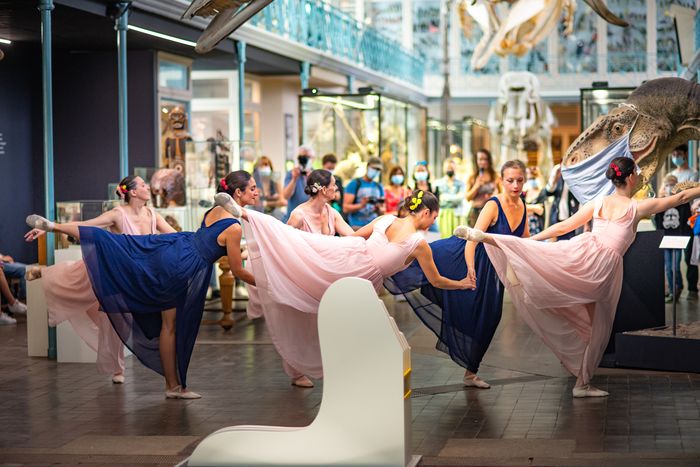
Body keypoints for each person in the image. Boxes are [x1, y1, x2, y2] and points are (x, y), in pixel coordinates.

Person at [453, 157, 700, 397]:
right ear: (631, 177)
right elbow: (680, 197)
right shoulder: (637, 207)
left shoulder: (599, 202)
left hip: (583, 250)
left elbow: (562, 227)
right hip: (601, 267)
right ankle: (582, 383)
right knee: (599, 328)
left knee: (553, 259)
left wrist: (527, 242)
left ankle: (489, 238)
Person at [25, 171, 257, 399]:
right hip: (167, 261)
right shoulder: (233, 227)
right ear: (238, 193)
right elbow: (236, 269)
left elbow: (196, 238)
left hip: (166, 252)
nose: (257, 193)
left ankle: (171, 386)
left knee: (166, 324)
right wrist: (266, 283)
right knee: (167, 325)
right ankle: (171, 386)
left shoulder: (205, 212)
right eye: (253, 189)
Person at [215, 188, 474, 381]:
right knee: (308, 271)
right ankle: (258, 236)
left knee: (301, 247)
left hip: (350, 254)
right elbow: (436, 280)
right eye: (433, 218)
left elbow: (353, 236)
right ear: (427, 212)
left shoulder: (385, 219)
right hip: (359, 275)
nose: (432, 224)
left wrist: (324, 244)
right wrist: (462, 284)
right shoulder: (419, 243)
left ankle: (250, 219)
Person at [386, 160, 529, 389]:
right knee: (413, 265)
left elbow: (522, 241)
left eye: (519, 180)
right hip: (467, 258)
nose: (515, 185)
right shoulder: (493, 205)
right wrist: (470, 268)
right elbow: (472, 238)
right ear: (501, 181)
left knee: (490, 317)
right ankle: (380, 269)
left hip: (495, 268)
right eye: (510, 180)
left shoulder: (522, 205)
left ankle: (471, 372)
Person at [24, 176, 175, 383]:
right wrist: (51, 227)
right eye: (142, 185)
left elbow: (175, 235)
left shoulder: (153, 215)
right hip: (116, 272)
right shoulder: (118, 214)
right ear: (132, 192)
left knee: (127, 316)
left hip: (137, 275)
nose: (147, 187)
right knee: (108, 312)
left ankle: (42, 272)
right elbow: (86, 226)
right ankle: (117, 368)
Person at [283, 170, 355, 387]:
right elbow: (282, 241)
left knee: (328, 322)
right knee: (301, 325)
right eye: (334, 184)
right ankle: (296, 372)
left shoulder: (332, 212)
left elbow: (351, 236)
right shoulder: (299, 215)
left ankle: (331, 365)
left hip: (326, 276)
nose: (337, 188)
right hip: (303, 277)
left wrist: (376, 235)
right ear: (323, 189)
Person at [654, 175, 692, 302]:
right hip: (665, 239)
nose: (669, 187)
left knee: (675, 267)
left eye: (672, 185)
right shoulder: (661, 202)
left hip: (678, 239)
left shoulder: (683, 202)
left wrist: (684, 238)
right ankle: (672, 290)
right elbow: (658, 221)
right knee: (667, 267)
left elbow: (686, 221)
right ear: (663, 187)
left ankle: (678, 287)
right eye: (667, 185)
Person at [669, 145, 699, 298]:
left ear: (686, 154)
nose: (676, 157)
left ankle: (692, 288)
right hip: (674, 220)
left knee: (689, 256)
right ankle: (677, 288)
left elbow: (690, 196)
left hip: (688, 220)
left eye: (678, 153)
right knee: (674, 258)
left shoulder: (693, 174)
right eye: (673, 154)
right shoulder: (670, 174)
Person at [343, 157, 385, 229]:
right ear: (367, 166)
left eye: (378, 170)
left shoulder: (379, 186)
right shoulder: (354, 184)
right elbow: (345, 208)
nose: (376, 171)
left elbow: (382, 211)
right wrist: (361, 205)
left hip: (374, 226)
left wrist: (378, 208)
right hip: (356, 226)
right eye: (374, 168)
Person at [466, 149, 502, 227]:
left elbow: (502, 195)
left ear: (489, 160)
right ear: (476, 161)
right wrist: (476, 186)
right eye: (480, 159)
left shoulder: (495, 176)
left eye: (485, 159)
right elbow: (468, 198)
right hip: (475, 213)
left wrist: (495, 195)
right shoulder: (472, 177)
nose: (483, 162)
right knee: (474, 237)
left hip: (491, 212)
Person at [545, 163, 579, 240]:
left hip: (571, 217)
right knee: (557, 243)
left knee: (570, 242)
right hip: (558, 216)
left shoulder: (574, 177)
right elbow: (548, 192)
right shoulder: (558, 178)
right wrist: (554, 178)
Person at [434, 158, 467, 238]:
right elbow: (437, 199)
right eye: (448, 168)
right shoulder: (438, 183)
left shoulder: (461, 183)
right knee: (444, 238)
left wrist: (445, 197)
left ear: (455, 169)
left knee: (458, 239)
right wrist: (454, 197)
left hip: (457, 215)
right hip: (443, 215)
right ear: (444, 169)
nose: (450, 170)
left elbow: (460, 198)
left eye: (452, 168)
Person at [282, 146, 315, 221]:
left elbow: (319, 197)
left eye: (308, 157)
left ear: (313, 159)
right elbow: (285, 196)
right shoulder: (291, 173)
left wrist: (311, 179)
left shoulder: (316, 174)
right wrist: (294, 179)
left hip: (311, 218)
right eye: (302, 157)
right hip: (294, 218)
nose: (305, 160)